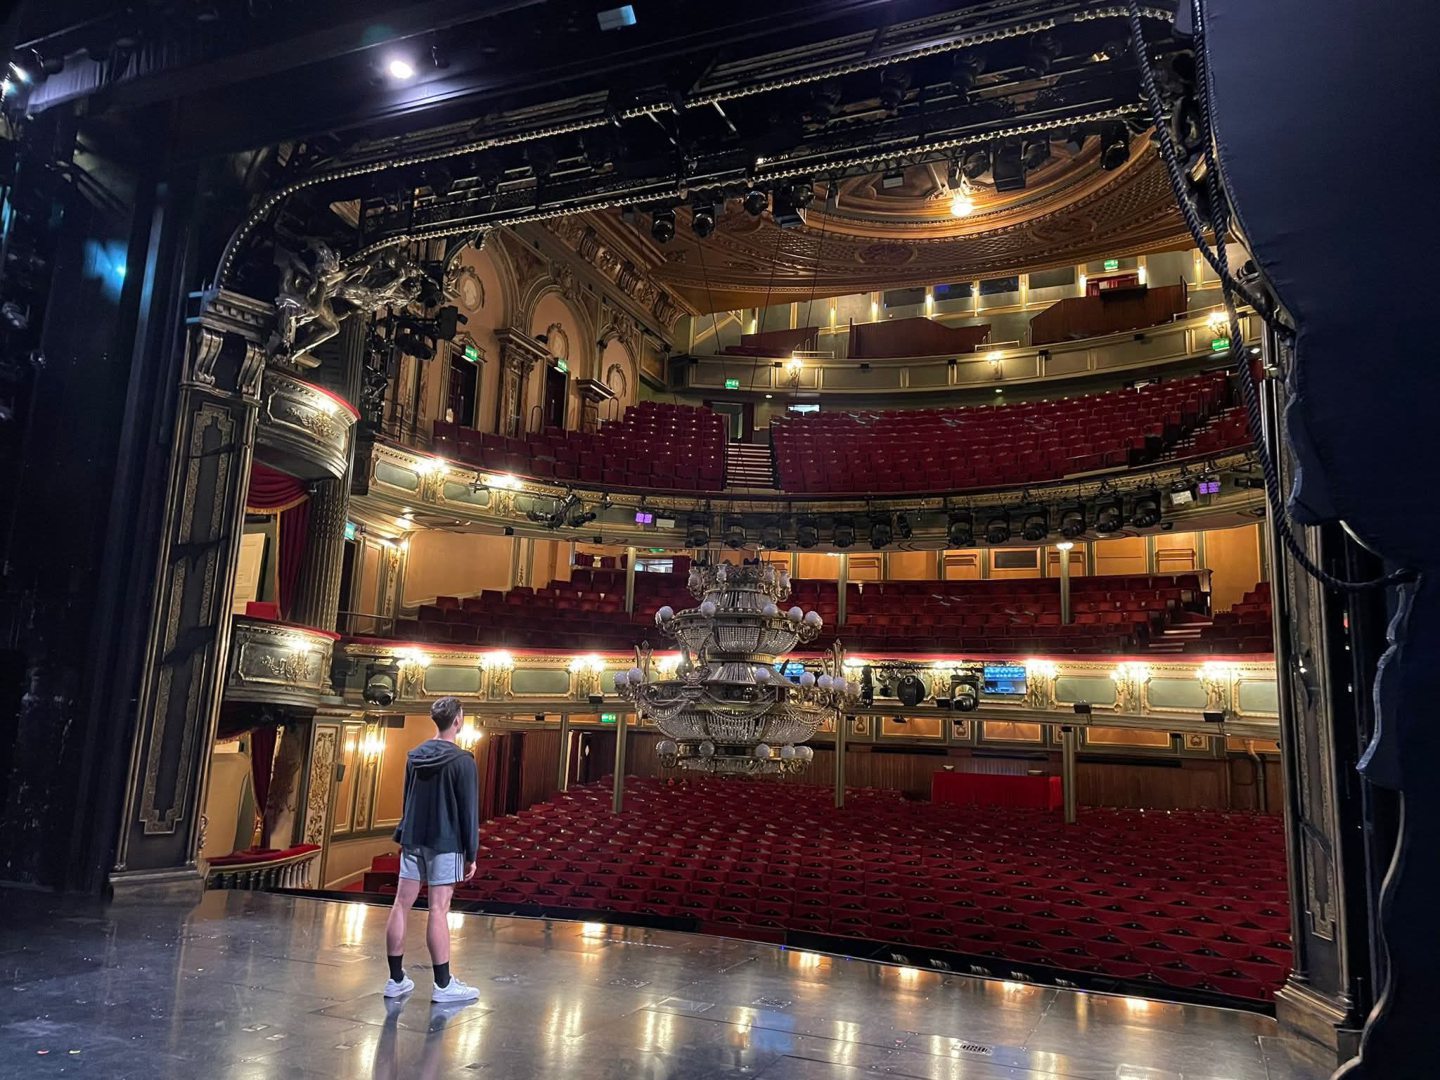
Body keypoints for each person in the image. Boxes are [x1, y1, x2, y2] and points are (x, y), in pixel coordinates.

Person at [382, 695, 481, 1002]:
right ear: (457, 721)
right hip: (446, 841)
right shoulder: (463, 761)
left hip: (413, 837)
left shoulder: (414, 756)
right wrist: (471, 854)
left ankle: (396, 980)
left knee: (401, 904)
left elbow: (406, 799)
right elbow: (469, 812)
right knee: (438, 909)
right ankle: (443, 984)